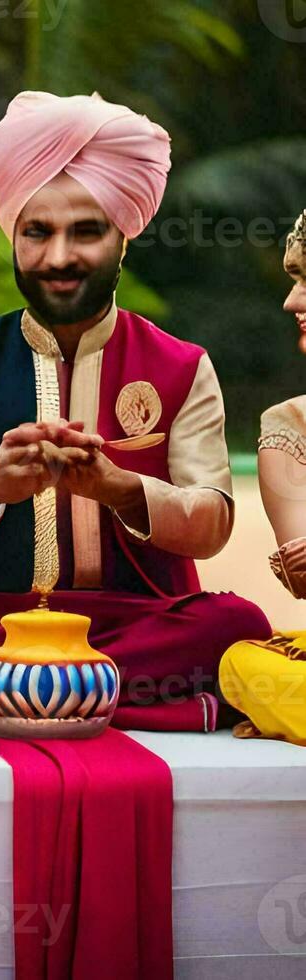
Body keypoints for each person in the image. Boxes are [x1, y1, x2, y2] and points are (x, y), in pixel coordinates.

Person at [0, 92, 268, 708]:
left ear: (123, 238)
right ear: (13, 237)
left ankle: (25, 694)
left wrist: (118, 487)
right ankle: (95, 695)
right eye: (37, 233)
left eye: (85, 232)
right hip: (1, 627)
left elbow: (213, 523)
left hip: (139, 624)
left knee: (236, 623)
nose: (59, 257)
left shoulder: (182, 365)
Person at [219, 209, 306, 743]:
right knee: (242, 664)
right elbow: (303, 576)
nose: (291, 302)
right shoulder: (290, 427)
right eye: (295, 279)